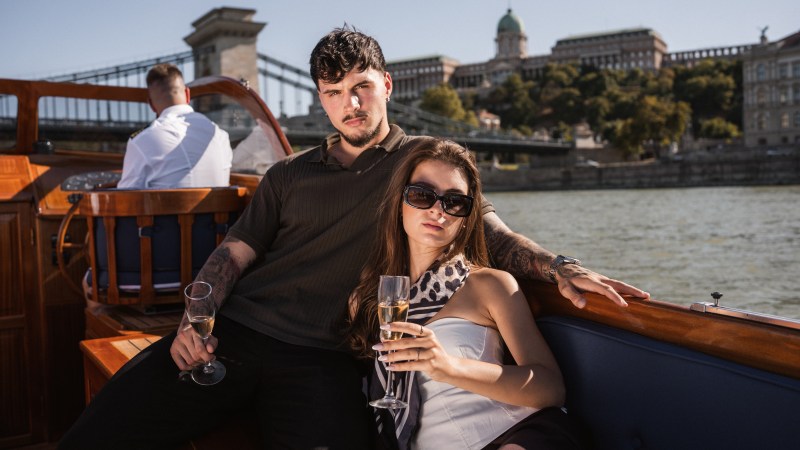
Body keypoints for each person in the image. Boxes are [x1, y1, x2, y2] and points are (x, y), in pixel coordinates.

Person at [59, 27, 646, 449]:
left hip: (327, 360)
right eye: (334, 92)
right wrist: (196, 320)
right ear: (321, 98)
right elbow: (232, 255)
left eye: (362, 86)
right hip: (236, 334)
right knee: (99, 432)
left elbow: (491, 231)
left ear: (386, 84)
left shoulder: (421, 169)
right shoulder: (288, 174)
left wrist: (561, 267)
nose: (352, 104)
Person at [348, 138, 589, 449]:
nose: (438, 211)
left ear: (465, 218)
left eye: (454, 202)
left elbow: (550, 388)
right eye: (422, 195)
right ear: (399, 203)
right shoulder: (367, 300)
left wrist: (447, 367)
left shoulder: (490, 286)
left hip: (515, 435)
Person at [116, 63, 233, 189]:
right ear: (187, 94)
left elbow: (126, 196)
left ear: (151, 105)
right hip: (220, 203)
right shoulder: (220, 136)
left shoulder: (142, 140)